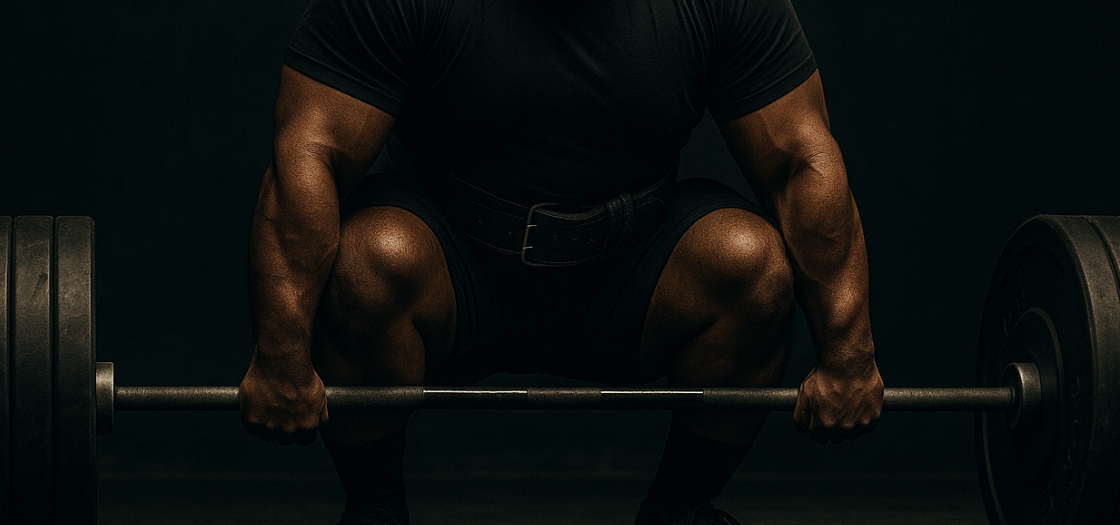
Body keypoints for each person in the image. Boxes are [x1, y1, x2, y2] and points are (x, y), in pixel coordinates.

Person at [238, 0, 884, 523]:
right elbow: (309, 154)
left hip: (627, 275)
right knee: (365, 260)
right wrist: (282, 357)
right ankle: (375, 506)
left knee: (752, 264)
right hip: (453, 274)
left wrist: (848, 353)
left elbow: (801, 162)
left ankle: (680, 508)